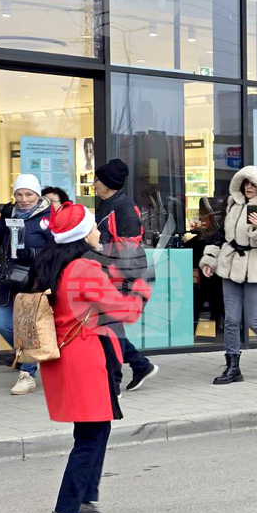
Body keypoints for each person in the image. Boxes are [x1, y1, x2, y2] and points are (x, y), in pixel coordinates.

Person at [32, 203, 152, 513]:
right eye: (94, 226)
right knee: (89, 436)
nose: (100, 231)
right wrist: (143, 285)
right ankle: (64, 512)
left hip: (68, 361)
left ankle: (85, 499)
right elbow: (126, 312)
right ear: (84, 234)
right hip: (85, 363)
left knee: (95, 431)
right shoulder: (84, 269)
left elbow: (88, 296)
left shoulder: (58, 263)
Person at [199, 166, 257, 384]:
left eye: (253, 183)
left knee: (254, 320)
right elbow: (222, 236)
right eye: (246, 183)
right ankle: (233, 367)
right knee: (231, 320)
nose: (249, 187)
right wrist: (210, 261)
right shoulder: (234, 205)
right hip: (231, 267)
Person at [93, 160, 159, 392]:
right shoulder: (107, 203)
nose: (94, 183)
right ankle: (140, 365)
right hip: (107, 274)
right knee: (106, 327)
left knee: (110, 328)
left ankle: (114, 384)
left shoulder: (124, 209)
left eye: (97, 180)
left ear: (108, 184)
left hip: (122, 276)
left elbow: (127, 250)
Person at [0, 174, 53, 394]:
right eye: (19, 194)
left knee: (27, 327)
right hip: (9, 281)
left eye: (29, 194)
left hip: (34, 282)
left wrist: (32, 252)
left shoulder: (48, 216)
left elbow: (56, 249)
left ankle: (27, 373)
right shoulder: (10, 214)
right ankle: (27, 356)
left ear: (37, 194)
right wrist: (2, 220)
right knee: (3, 325)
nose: (24, 199)